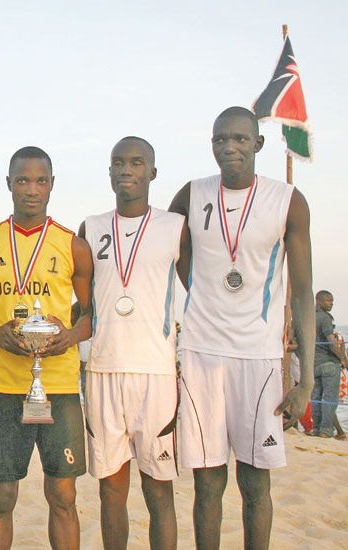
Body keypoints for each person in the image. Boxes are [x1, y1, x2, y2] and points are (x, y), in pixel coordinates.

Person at [168, 106, 315, 550]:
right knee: (207, 483)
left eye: (239, 138)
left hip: (259, 356)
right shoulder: (192, 194)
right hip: (201, 353)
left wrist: (306, 380)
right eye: (220, 139)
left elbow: (303, 293)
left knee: (255, 483)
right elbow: (171, 250)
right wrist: (201, 289)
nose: (229, 147)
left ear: (258, 143)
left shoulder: (287, 200)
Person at [0, 146, 93, 549]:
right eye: (22, 180)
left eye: (40, 181)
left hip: (60, 387)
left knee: (63, 496)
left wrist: (69, 336)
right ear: (9, 184)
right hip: (5, 387)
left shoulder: (73, 245)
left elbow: (91, 315)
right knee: (2, 497)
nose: (31, 189)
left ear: (52, 185)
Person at [80, 137, 185, 550]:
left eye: (137, 162)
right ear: (109, 172)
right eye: (119, 162)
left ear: (153, 172)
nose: (127, 169)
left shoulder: (175, 227)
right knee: (110, 490)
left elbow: (201, 290)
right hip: (102, 370)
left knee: (158, 489)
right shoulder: (91, 227)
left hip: (156, 374)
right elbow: (83, 303)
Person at [311, 290, 348, 437]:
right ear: (318, 301)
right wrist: (342, 359)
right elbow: (331, 342)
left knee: (316, 397)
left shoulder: (310, 317)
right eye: (327, 300)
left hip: (314, 363)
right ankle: (326, 431)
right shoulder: (325, 318)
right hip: (329, 363)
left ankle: (316, 429)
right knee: (330, 399)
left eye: (332, 301)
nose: (331, 304)